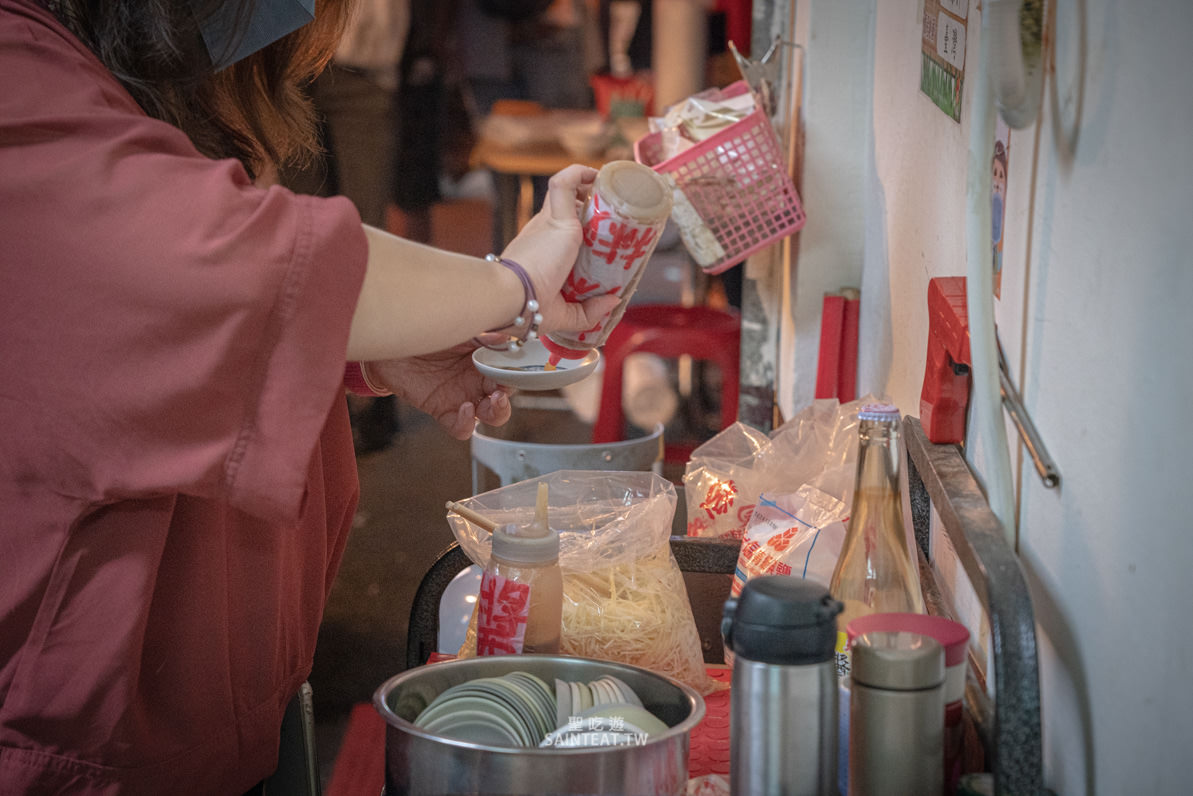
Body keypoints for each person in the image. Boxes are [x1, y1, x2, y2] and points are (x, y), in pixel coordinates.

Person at [0, 0, 617, 792]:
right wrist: (512, 285)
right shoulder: (20, 73)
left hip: (223, 710)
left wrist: (367, 359)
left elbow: (137, 339)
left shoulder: (117, 71)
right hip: (80, 750)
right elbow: (230, 260)